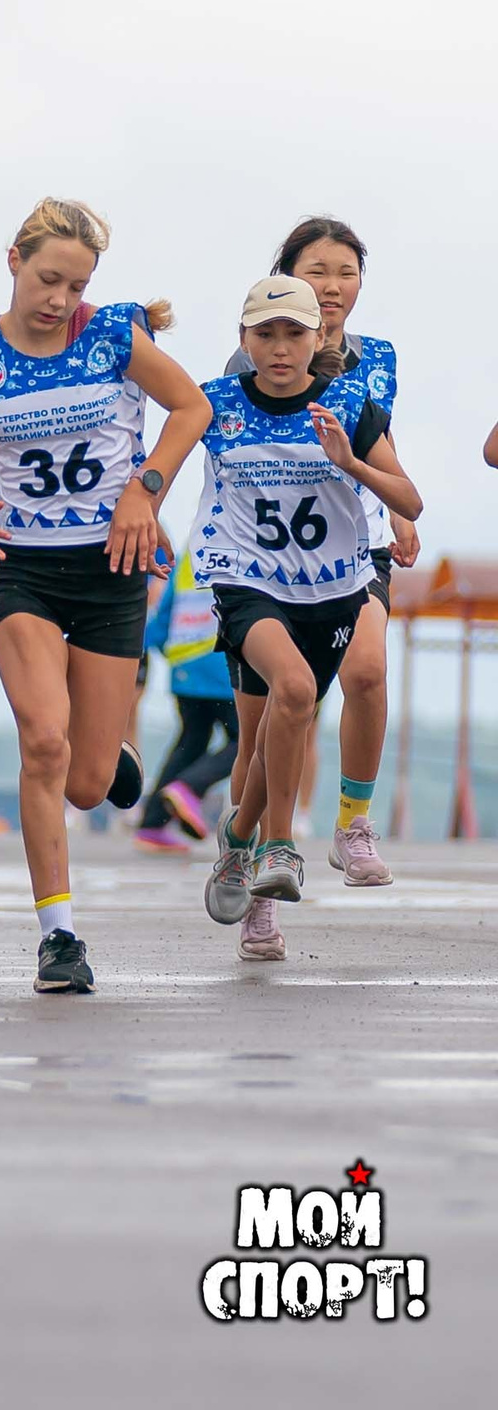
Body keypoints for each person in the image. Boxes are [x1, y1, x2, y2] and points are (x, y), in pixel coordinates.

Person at [0, 198, 208, 994]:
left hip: (113, 569)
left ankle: (111, 752)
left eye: (76, 283)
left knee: (88, 781)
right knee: (43, 743)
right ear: (13, 259)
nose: (60, 298)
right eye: (49, 278)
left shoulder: (114, 336)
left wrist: (145, 489)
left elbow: (193, 408)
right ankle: (59, 934)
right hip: (22, 573)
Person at [193, 276, 422, 963]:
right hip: (245, 581)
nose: (281, 347)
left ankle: (236, 841)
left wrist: (349, 462)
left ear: (318, 337)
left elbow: (409, 495)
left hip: (331, 590)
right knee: (290, 693)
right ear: (244, 340)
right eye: (265, 333)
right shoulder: (216, 403)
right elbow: (160, 452)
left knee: (282, 727)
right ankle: (278, 847)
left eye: (294, 332)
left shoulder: (351, 404)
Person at [223, 219, 404, 886]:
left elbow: (377, 442)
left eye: (346, 271)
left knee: (367, 669)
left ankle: (353, 824)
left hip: (358, 549)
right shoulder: (251, 360)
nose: (332, 285)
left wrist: (398, 514)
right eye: (317, 269)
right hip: (266, 566)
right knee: (262, 735)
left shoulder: (377, 356)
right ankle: (252, 873)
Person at [135, 552, 236, 852]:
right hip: (223, 667)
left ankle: (152, 824)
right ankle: (190, 787)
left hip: (185, 669)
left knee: (191, 741)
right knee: (250, 742)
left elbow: (164, 616)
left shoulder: (188, 557)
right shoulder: (242, 546)